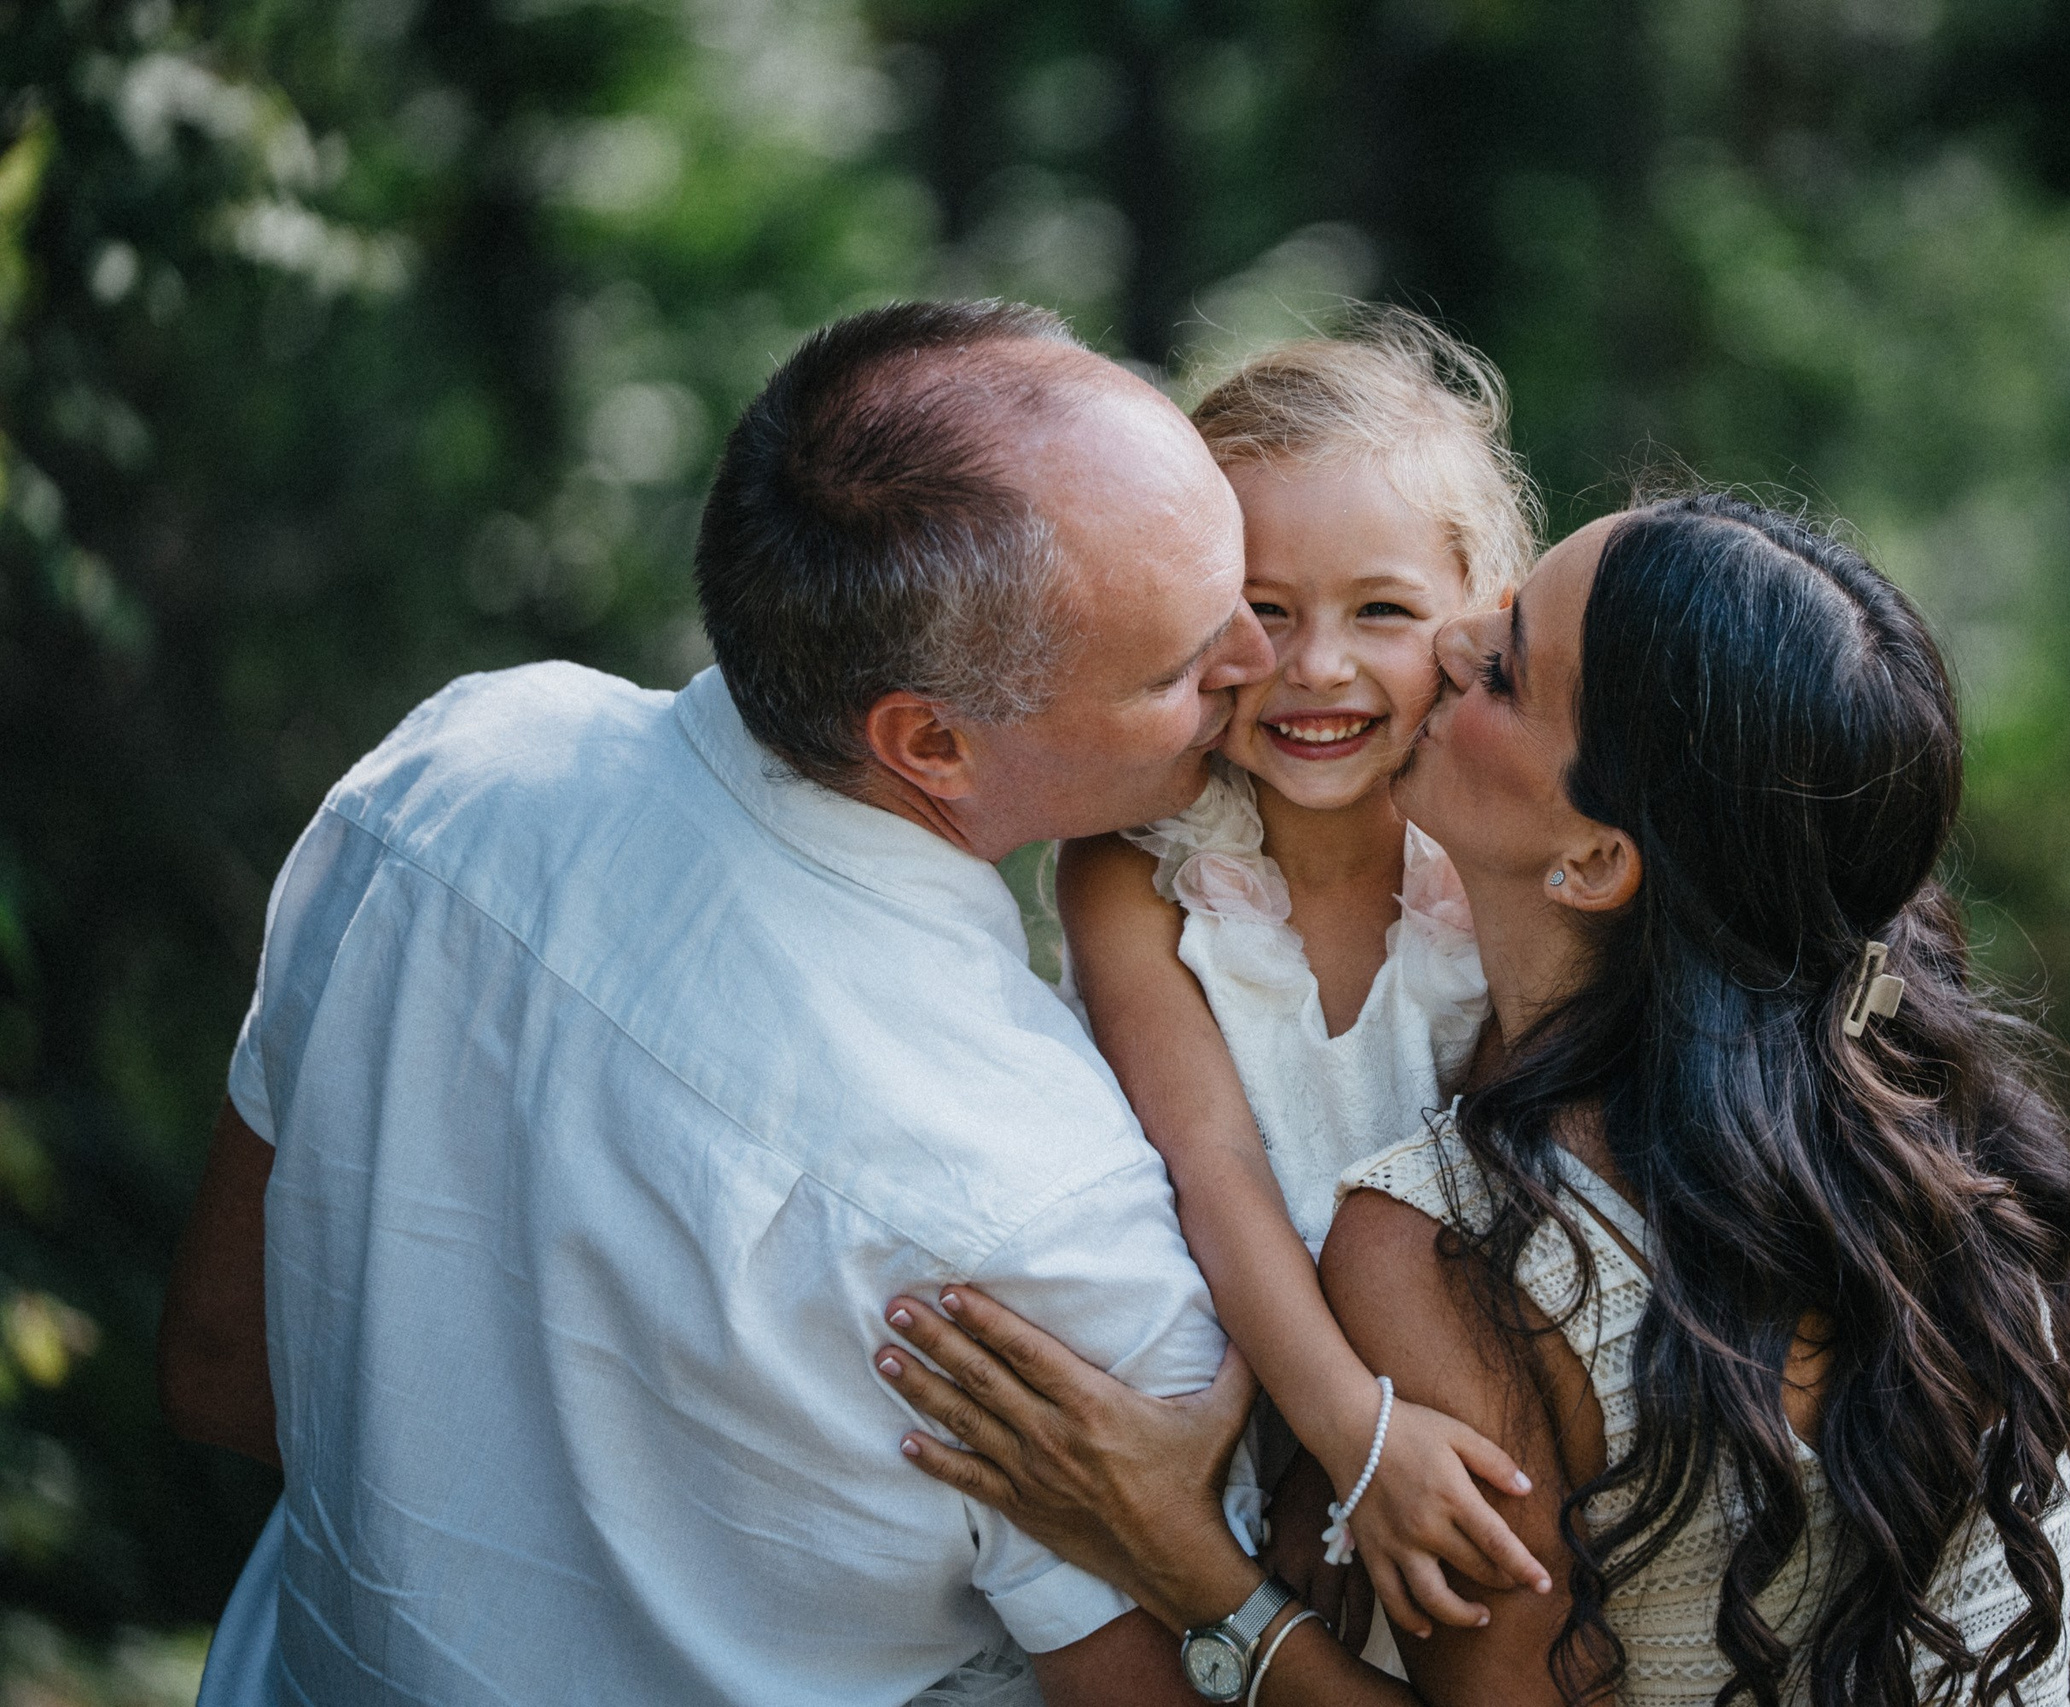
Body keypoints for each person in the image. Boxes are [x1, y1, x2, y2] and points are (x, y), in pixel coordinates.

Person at [156, 298, 1277, 1706]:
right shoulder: (1044, 1202)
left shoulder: (444, 779)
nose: (1262, 659)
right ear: (930, 740)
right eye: (1184, 669)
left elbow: (216, 1368)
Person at [873, 493, 2070, 1705]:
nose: (1448, 640)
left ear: (1598, 856)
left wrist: (1184, 1568)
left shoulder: (1469, 1249)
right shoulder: (1942, 1143)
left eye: (1502, 667)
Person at [1057, 312, 1552, 1651]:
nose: (1315, 666)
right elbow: (1211, 1164)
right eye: (1262, 613)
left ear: (1476, 620)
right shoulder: (1135, 874)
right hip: (1221, 1402)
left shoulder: (1491, 861)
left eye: (1380, 611)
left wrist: (1390, 1450)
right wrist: (1342, 1438)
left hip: (1467, 1416)